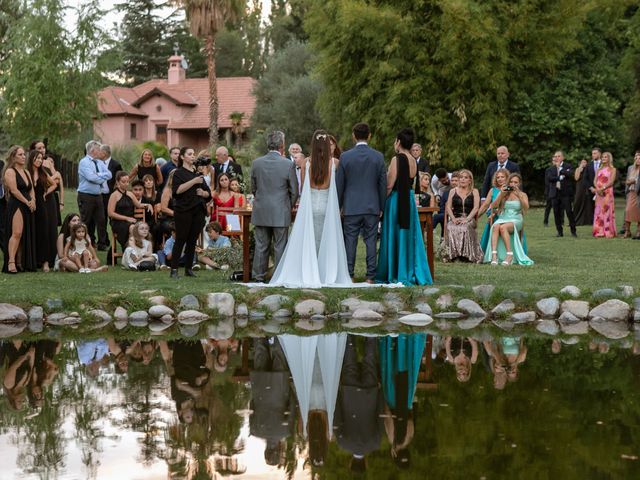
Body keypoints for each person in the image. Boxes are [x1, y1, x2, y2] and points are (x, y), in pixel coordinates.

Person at [269, 130, 354, 287]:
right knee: (327, 239)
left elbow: (302, 189)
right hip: (327, 207)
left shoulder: (306, 163)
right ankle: (325, 273)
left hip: (311, 207)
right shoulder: (334, 163)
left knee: (309, 239)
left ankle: (310, 270)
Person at [375, 128, 432, 285]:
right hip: (408, 198)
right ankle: (407, 269)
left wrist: (381, 202)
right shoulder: (414, 160)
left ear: (398, 142)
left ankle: (395, 271)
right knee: (407, 234)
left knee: (395, 232)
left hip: (396, 199)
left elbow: (389, 184)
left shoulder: (397, 159)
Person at [336, 123, 387, 282]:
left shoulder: (345, 157)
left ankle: (349, 275)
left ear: (353, 135)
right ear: (369, 135)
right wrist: (382, 206)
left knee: (350, 241)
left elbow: (340, 184)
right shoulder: (378, 156)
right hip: (372, 205)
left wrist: (338, 206)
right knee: (371, 241)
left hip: (351, 206)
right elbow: (382, 184)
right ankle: (370, 276)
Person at [251, 131, 299, 282]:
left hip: (261, 209)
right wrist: (288, 206)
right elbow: (294, 191)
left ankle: (258, 277)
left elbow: (253, 188)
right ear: (282, 145)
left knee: (261, 246)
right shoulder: (288, 164)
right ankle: (279, 277)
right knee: (280, 247)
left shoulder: (256, 163)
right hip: (280, 210)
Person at [335, 335, 383, 474]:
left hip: (370, 394)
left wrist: (380, 393)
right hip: (349, 394)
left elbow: (379, 416)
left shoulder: (375, 443)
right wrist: (338, 394)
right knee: (349, 361)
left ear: (365, 463)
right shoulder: (343, 443)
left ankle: (371, 333)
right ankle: (349, 333)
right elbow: (337, 416)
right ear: (351, 463)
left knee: (370, 360)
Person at [170, 146, 211, 278]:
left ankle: (188, 269)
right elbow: (177, 191)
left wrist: (203, 193)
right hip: (183, 211)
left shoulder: (197, 173)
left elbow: (209, 194)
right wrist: (194, 182)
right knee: (181, 239)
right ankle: (174, 270)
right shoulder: (178, 173)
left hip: (198, 210)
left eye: (193, 154)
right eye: (190, 154)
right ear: (182, 157)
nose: (193, 156)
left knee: (192, 240)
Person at [483, 173, 534, 265]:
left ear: (519, 184)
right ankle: (494, 255)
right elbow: (493, 206)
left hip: (516, 218)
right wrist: (501, 195)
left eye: (516, 182)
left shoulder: (523, 194)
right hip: (504, 217)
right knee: (495, 226)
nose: (513, 184)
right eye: (511, 182)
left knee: (503, 228)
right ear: (508, 183)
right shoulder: (504, 193)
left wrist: (519, 195)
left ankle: (509, 255)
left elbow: (526, 208)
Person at [2, 145, 36, 273]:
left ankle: (20, 262)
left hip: (28, 204)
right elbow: (14, 191)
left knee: (24, 234)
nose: (23, 157)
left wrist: (33, 200)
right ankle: (11, 262)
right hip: (17, 204)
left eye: (24, 154)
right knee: (17, 233)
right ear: (13, 157)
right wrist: (27, 202)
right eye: (20, 155)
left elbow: (31, 188)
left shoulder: (26, 172)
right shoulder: (10, 171)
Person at [77, 140, 112, 250]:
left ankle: (102, 244)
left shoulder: (99, 162)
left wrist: (97, 175)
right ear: (92, 150)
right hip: (86, 195)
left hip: (98, 195)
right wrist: (100, 176)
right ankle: (84, 243)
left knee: (101, 220)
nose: (100, 151)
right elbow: (91, 178)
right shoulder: (84, 162)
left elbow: (109, 174)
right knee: (86, 220)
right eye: (98, 149)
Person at [442, 169, 483, 263]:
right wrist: (453, 218)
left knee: (465, 227)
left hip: (469, 218)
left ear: (470, 180)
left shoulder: (475, 191)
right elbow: (448, 207)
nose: (463, 180)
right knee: (451, 226)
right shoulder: (453, 191)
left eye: (465, 177)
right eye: (461, 177)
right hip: (456, 217)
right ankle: (453, 255)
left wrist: (467, 219)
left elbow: (476, 207)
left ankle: (466, 255)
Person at [108, 172, 152, 255]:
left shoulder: (130, 194)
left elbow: (138, 205)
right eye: (123, 182)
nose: (126, 184)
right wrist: (126, 218)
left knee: (141, 227)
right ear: (117, 182)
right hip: (118, 222)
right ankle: (130, 253)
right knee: (133, 227)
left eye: (127, 182)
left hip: (131, 221)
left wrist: (147, 205)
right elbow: (110, 213)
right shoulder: (114, 195)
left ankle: (138, 252)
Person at [27, 149, 57, 272]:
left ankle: (45, 261)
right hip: (29, 205)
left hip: (42, 205)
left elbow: (54, 184)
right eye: (37, 158)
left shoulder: (43, 172)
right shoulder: (26, 172)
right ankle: (34, 260)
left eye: (41, 158)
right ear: (32, 159)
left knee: (44, 231)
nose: (39, 160)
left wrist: (46, 193)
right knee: (33, 232)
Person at [545, 151, 577, 237]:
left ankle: (573, 231)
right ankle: (559, 232)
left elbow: (571, 174)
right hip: (555, 193)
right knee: (556, 213)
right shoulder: (550, 169)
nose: (557, 158)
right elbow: (550, 178)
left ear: (563, 157)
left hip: (565, 193)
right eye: (555, 156)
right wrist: (559, 177)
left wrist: (561, 170)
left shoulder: (568, 166)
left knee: (569, 212)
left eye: (559, 156)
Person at [478, 169, 509, 253]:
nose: (500, 179)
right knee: (492, 219)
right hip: (494, 216)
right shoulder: (492, 190)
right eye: (498, 177)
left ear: (507, 178)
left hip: (507, 216)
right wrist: (476, 217)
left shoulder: (509, 189)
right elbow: (485, 205)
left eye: (502, 177)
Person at [593, 151, 617, 238]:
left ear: (609, 158)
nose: (603, 158)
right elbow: (594, 180)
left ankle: (608, 232)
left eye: (605, 157)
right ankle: (599, 231)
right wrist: (597, 189)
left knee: (606, 211)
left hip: (607, 192)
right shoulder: (599, 169)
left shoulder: (613, 169)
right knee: (598, 211)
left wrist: (602, 188)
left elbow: (611, 182)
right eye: (603, 157)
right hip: (599, 193)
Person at [432, 171, 458, 237]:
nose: (454, 182)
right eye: (452, 181)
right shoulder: (445, 193)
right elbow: (442, 207)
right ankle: (442, 237)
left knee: (437, 216)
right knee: (440, 216)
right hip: (447, 214)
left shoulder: (464, 193)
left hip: (458, 215)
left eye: (456, 181)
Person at [583, 147, 602, 224]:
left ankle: (602, 221)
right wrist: (591, 188)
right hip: (591, 190)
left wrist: (601, 188)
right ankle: (593, 222)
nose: (593, 155)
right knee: (591, 207)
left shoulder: (604, 164)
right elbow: (585, 178)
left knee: (602, 207)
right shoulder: (589, 165)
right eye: (592, 153)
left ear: (600, 154)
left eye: (595, 153)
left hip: (602, 189)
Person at [623, 151, 640, 238]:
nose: (638, 160)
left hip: (639, 192)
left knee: (638, 212)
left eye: (639, 158)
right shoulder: (630, 168)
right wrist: (628, 182)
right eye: (636, 158)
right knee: (627, 211)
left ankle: (638, 231)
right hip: (631, 192)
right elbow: (627, 179)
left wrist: (635, 181)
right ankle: (627, 231)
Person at [573, 158, 594, 226]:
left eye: (585, 162)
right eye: (582, 162)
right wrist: (580, 169)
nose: (584, 163)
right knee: (577, 201)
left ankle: (588, 220)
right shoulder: (577, 169)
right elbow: (576, 178)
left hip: (587, 187)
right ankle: (576, 219)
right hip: (580, 187)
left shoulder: (589, 169)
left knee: (588, 203)